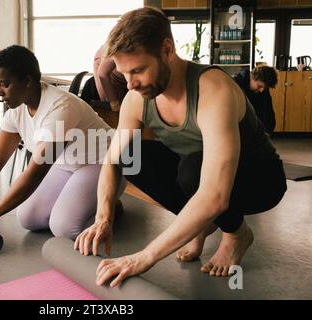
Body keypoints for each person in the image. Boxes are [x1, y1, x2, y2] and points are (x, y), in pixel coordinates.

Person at [74, 7, 287, 287]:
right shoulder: (136, 98)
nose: (130, 84)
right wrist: (103, 217)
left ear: (167, 49)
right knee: (129, 155)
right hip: (201, 173)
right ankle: (201, 224)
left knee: (191, 170)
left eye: (138, 70)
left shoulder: (213, 90)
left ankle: (236, 234)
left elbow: (215, 196)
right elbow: (112, 162)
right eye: (124, 73)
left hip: (261, 179)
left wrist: (144, 256)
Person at [0, 45, 125, 240]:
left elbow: (35, 173)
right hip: (67, 164)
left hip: (104, 163)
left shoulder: (60, 108)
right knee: (28, 218)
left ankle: (111, 204)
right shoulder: (16, 112)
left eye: (4, 84)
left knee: (64, 228)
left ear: (27, 81)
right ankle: (91, 202)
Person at [233, 65, 278, 135]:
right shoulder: (236, 84)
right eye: (260, 86)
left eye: (265, 88)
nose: (261, 90)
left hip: (255, 131)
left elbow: (269, 114)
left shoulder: (263, 90)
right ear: (252, 77)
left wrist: (268, 132)